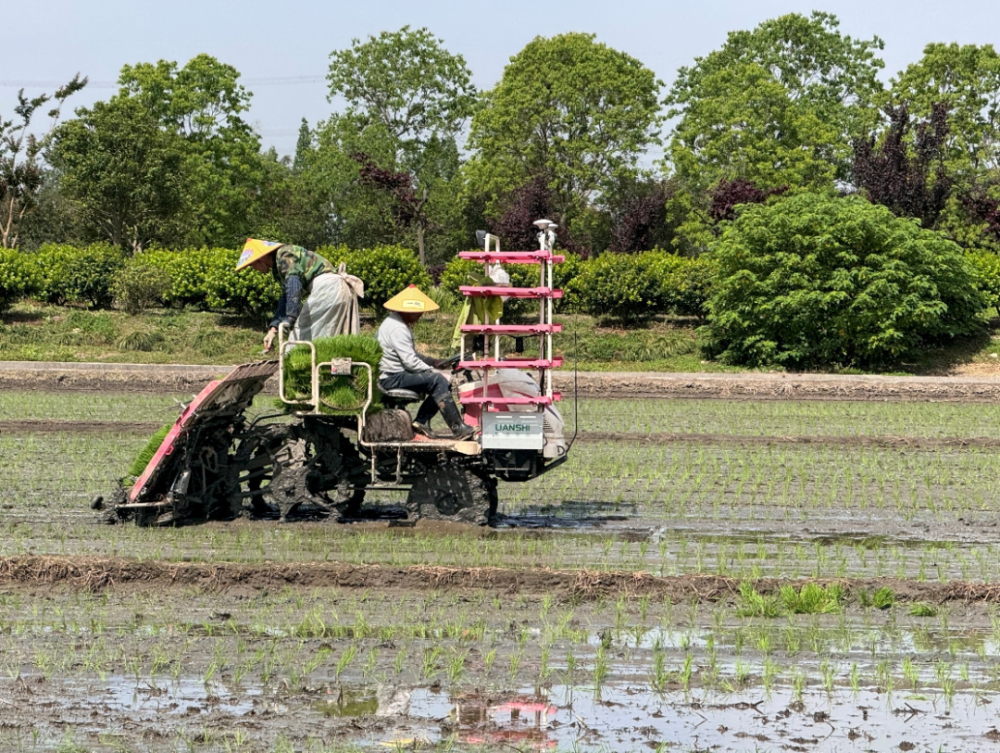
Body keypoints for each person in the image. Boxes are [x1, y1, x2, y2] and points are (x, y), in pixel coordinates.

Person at [377, 285, 475, 440]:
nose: (420, 315)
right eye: (417, 312)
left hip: (397, 374)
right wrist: (433, 371)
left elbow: (411, 354)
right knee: (438, 380)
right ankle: (457, 428)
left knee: (440, 380)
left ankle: (423, 421)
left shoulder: (397, 323)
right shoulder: (398, 329)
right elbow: (410, 361)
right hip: (391, 377)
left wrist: (433, 362)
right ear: (407, 310)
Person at [236, 239, 363, 352]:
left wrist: (291, 316)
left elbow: (293, 284)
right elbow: (286, 297)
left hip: (327, 289)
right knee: (330, 335)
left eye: (253, 264)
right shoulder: (278, 264)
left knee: (299, 338)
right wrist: (273, 329)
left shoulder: (284, 254)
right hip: (335, 288)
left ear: (261, 259)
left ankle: (297, 372)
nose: (254, 268)